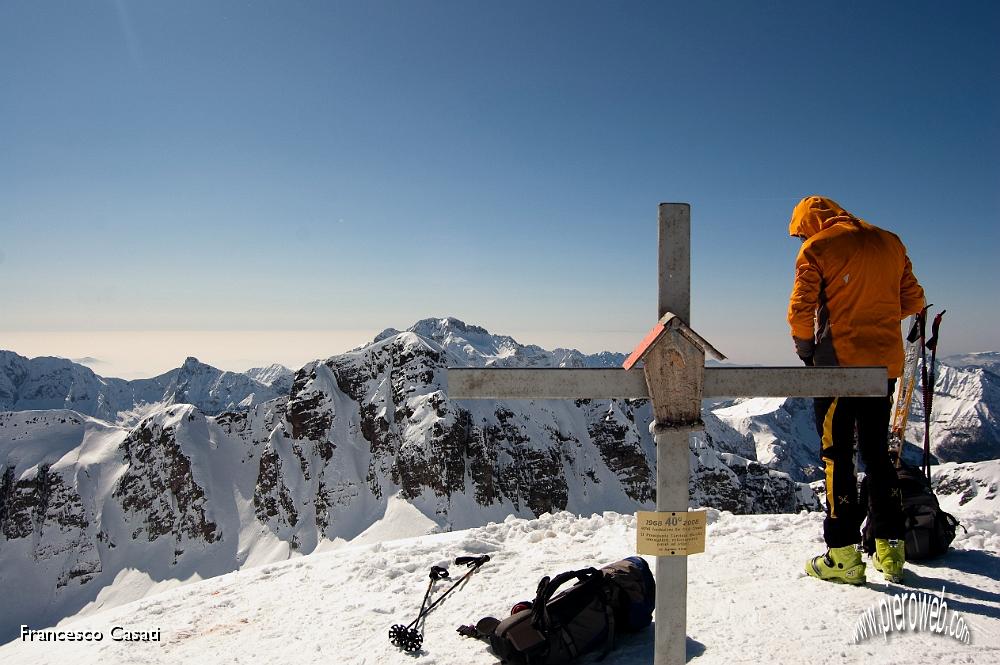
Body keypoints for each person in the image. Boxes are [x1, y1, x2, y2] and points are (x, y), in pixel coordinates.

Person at [787, 195, 925, 584]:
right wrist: (874, 316)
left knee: (837, 456)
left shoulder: (819, 247)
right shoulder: (890, 241)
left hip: (838, 368)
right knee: (877, 455)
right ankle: (891, 551)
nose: (801, 241)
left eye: (800, 233)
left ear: (811, 224)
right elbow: (914, 299)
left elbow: (801, 308)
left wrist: (807, 349)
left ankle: (843, 554)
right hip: (883, 366)